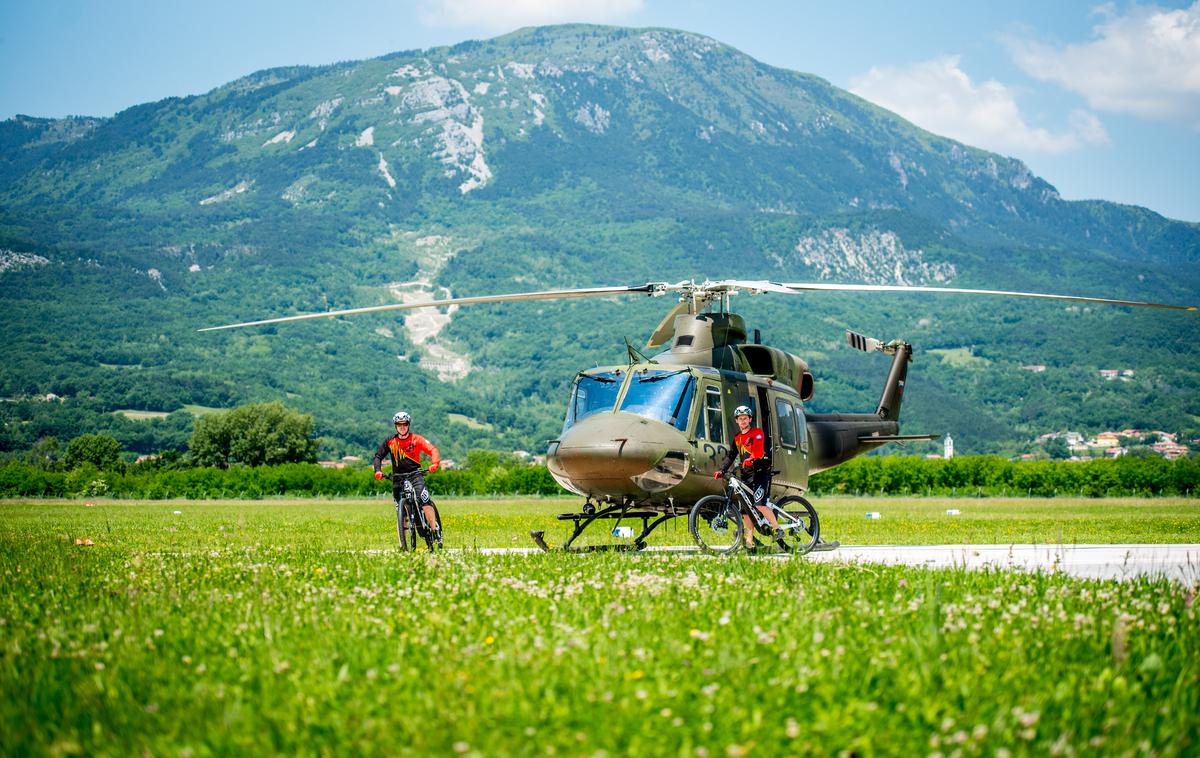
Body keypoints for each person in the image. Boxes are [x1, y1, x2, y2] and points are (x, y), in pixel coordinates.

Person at [714, 404, 780, 547]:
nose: (743, 421)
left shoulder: (757, 433)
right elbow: (731, 455)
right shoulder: (737, 438)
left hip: (760, 473)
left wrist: (752, 459)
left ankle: (777, 529)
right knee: (745, 510)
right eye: (740, 419)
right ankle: (749, 541)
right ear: (737, 421)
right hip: (746, 475)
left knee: (759, 505)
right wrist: (722, 470)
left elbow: (758, 449)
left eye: (745, 418)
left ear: (750, 419)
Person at [373, 411, 442, 544]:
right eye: (399, 424)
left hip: (415, 475)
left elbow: (432, 449)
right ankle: (403, 543)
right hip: (397, 478)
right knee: (401, 510)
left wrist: (435, 463)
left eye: (404, 424)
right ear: (395, 426)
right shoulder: (390, 441)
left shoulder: (416, 439)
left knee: (424, 500)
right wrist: (378, 471)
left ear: (408, 425)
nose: (402, 427)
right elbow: (378, 456)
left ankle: (435, 530)